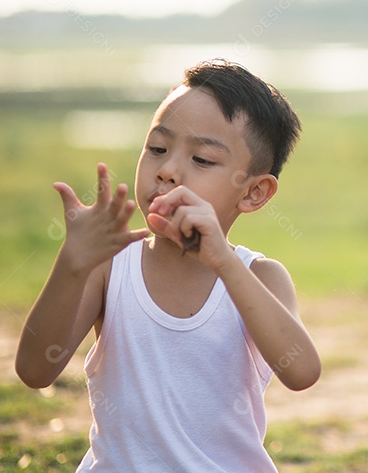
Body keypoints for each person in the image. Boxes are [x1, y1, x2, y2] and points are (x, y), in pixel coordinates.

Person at [16, 59, 320, 472]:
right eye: (157, 148)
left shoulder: (259, 276)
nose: (168, 171)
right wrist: (73, 263)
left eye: (202, 160)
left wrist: (223, 263)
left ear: (253, 193)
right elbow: (35, 370)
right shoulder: (110, 267)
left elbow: (301, 371)